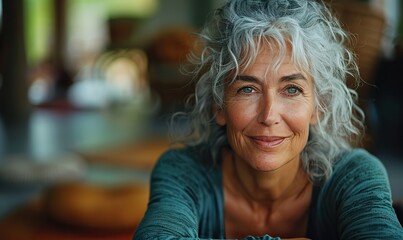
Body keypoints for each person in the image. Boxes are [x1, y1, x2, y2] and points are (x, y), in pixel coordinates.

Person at [133, 0, 403, 239]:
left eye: (292, 89)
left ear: (317, 106)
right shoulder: (182, 172)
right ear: (219, 105)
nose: (268, 115)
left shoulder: (356, 175)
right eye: (247, 89)